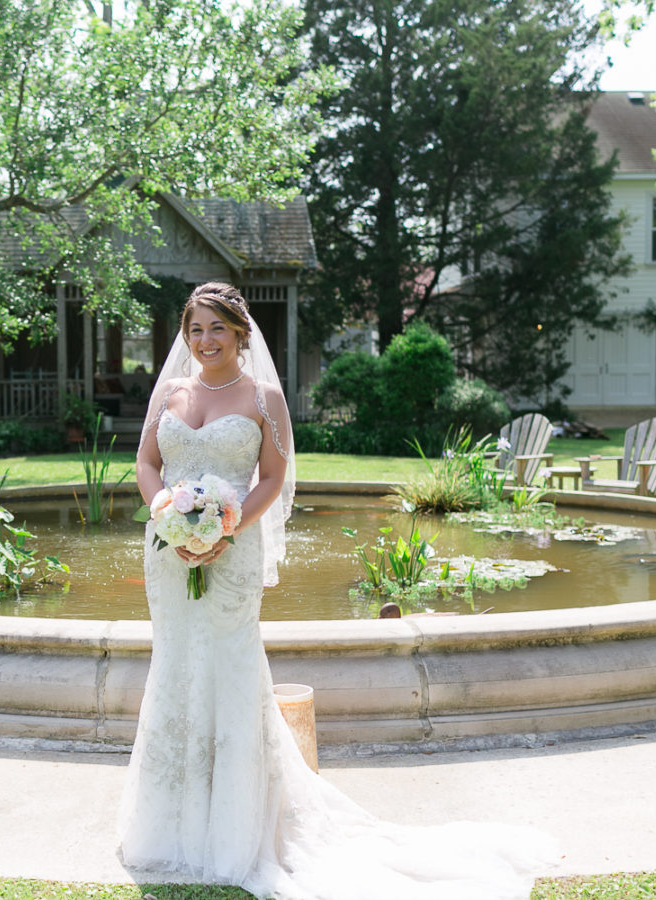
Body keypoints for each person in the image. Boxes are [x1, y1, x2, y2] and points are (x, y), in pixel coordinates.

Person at [118, 282, 556, 899]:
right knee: (176, 669)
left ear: (241, 333)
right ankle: (170, 820)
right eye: (195, 330)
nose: (205, 340)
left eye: (217, 328)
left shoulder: (264, 396)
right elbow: (146, 464)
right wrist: (167, 514)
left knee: (230, 667)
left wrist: (226, 524)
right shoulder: (171, 391)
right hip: (167, 551)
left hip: (234, 548)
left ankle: (236, 824)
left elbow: (273, 477)